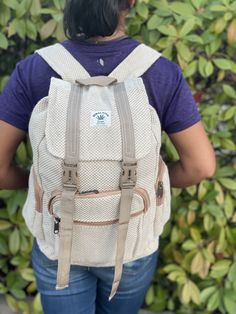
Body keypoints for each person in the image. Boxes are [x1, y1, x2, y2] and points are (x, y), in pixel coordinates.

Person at [0, 0, 216, 313]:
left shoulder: (34, 70)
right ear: (131, 3)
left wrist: (35, 181)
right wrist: (156, 177)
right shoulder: (160, 72)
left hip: (60, 245)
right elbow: (202, 166)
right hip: (131, 246)